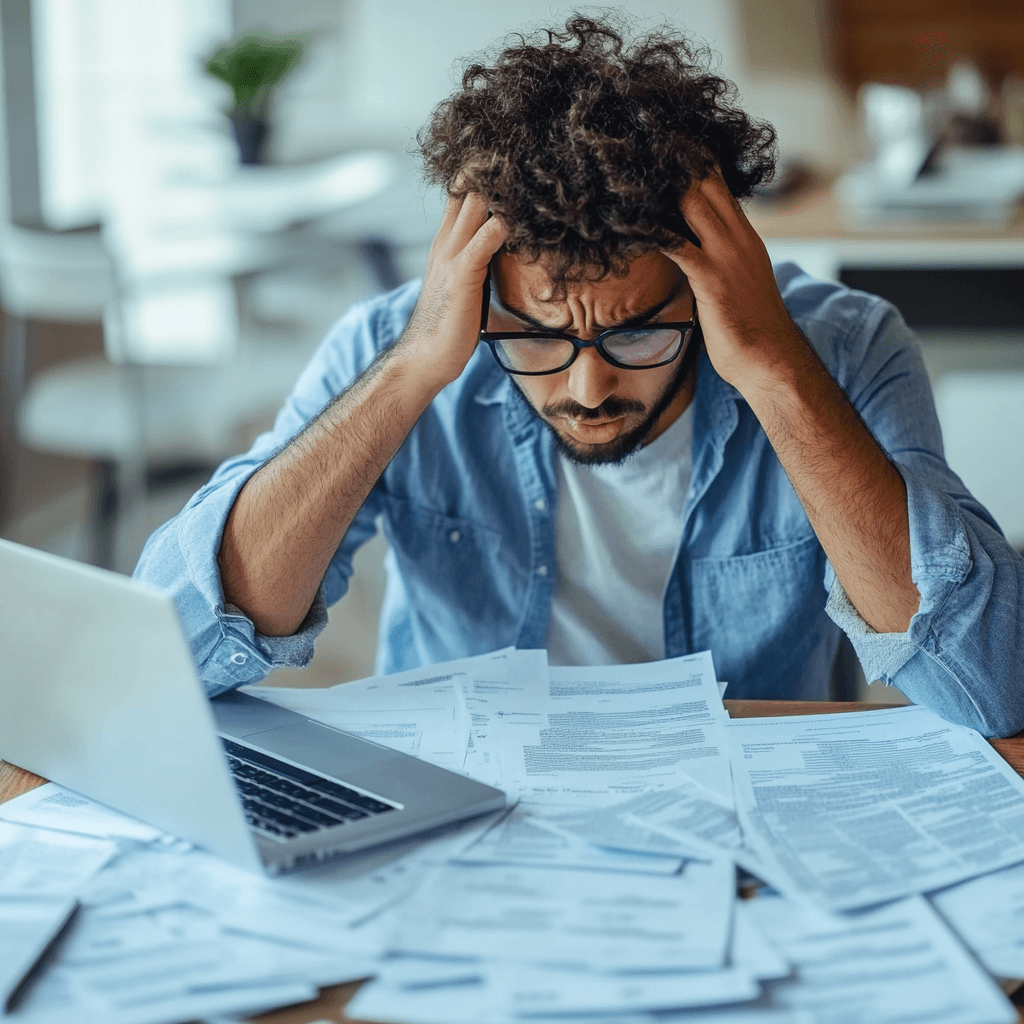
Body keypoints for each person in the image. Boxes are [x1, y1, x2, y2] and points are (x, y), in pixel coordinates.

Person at [135, 15, 1024, 737]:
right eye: (537, 337)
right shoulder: (390, 345)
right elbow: (167, 654)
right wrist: (410, 372)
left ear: (709, 283)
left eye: (638, 335)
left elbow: (991, 686)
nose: (588, 389)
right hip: (470, 802)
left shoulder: (844, 347)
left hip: (747, 812)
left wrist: (772, 365)